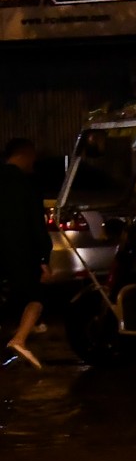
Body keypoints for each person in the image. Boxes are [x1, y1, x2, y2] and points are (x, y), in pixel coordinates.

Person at [1, 138, 50, 369]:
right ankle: (19, 340)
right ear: (26, 155)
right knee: (36, 297)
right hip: (20, 250)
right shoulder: (26, 185)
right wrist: (44, 257)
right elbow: (36, 225)